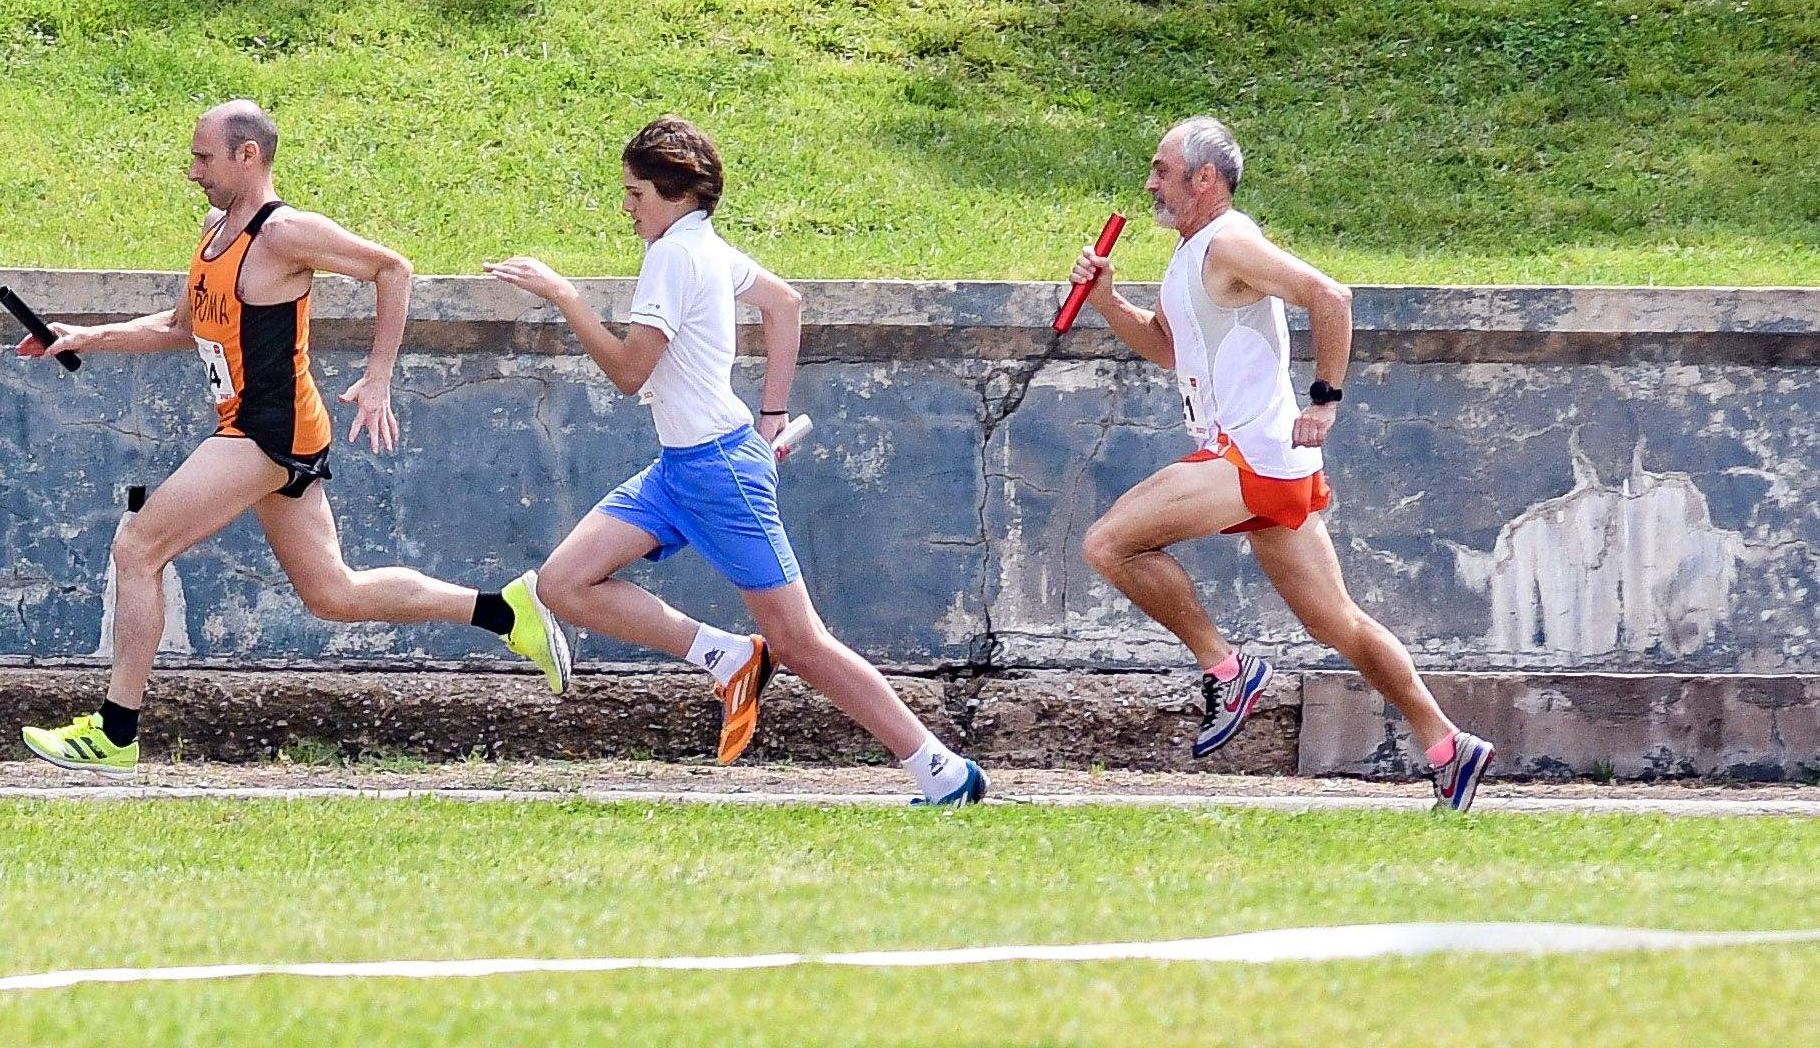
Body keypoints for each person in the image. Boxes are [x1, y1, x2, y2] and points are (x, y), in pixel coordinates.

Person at [11, 100, 569, 771]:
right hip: (256, 430)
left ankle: (113, 732)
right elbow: (179, 329)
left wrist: (379, 376)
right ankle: (506, 611)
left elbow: (392, 268)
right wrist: (83, 337)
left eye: (204, 158)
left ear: (248, 156)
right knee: (333, 592)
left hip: (265, 430)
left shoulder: (285, 234)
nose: (192, 172)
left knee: (136, 547)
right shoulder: (215, 231)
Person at [487, 116, 990, 805]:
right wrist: (772, 415)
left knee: (802, 643)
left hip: (717, 473)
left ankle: (942, 769)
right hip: (681, 469)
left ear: (671, 193)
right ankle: (727, 655)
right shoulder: (705, 245)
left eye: (634, 193)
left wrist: (565, 297)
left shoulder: (672, 255)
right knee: (563, 582)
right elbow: (783, 303)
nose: (627, 207)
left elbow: (631, 372)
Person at [1072, 117, 1493, 807]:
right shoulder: (1190, 254)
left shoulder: (1230, 239)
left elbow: (1330, 296)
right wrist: (1106, 300)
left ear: (1202, 178)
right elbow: (1166, 345)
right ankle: (1447, 743)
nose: (1148, 182)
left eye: (1160, 168)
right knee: (1337, 621)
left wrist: (1324, 400)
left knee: (1108, 543)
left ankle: (1225, 669)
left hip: (1251, 454)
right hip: (1257, 460)